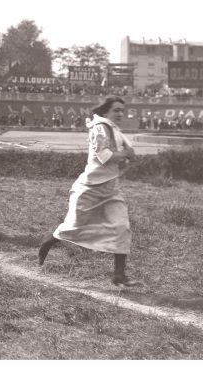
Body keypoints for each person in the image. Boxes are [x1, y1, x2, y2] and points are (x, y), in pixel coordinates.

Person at [38, 96, 138, 287]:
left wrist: (127, 157)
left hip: (111, 189)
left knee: (122, 227)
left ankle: (119, 275)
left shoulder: (115, 129)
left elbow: (121, 156)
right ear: (105, 111)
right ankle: (47, 242)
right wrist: (126, 155)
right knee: (73, 227)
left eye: (122, 111)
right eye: (116, 110)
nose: (120, 114)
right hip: (90, 187)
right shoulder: (98, 127)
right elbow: (104, 156)